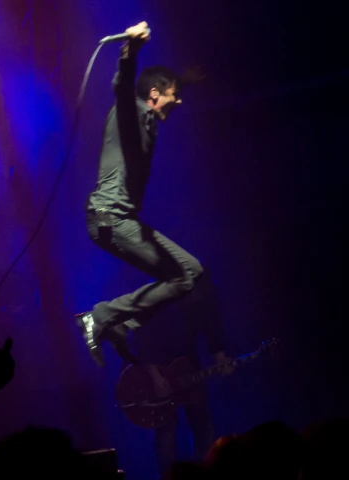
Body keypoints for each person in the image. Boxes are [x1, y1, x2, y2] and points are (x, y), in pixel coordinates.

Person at [76, 21, 204, 367]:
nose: (178, 100)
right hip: (109, 218)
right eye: (174, 93)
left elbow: (154, 89)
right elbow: (123, 86)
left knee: (193, 271)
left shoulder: (147, 117)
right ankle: (102, 316)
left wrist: (185, 78)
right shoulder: (132, 110)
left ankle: (121, 323)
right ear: (154, 95)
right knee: (182, 276)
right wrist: (130, 50)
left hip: (121, 218)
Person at [131, 272, 232, 476]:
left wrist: (220, 357)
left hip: (188, 363)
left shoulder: (204, 292)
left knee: (203, 423)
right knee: (166, 431)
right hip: (158, 368)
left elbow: (211, 325)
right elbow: (141, 336)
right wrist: (154, 374)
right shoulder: (154, 294)